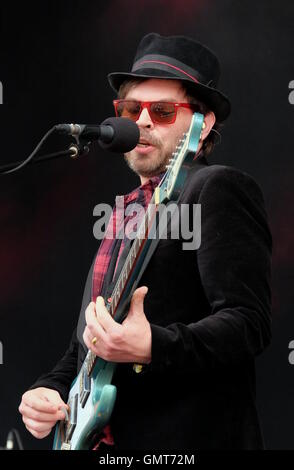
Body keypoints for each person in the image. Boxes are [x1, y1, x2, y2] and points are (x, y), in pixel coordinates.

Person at [18, 33, 272, 450]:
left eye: (164, 110)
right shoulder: (122, 214)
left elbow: (248, 323)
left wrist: (155, 344)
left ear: (202, 123)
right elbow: (85, 348)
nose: (143, 121)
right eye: (131, 109)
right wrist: (48, 392)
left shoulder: (216, 187)